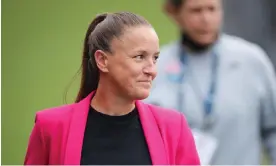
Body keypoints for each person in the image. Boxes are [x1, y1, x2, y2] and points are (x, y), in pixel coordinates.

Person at [23, 12, 200, 165]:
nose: (152, 70)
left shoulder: (174, 128)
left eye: (155, 58)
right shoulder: (50, 127)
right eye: (139, 57)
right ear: (102, 60)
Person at [145, 0, 276, 165]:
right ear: (174, 13)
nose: (206, 19)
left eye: (212, 9)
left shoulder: (252, 61)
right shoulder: (155, 67)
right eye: (196, 11)